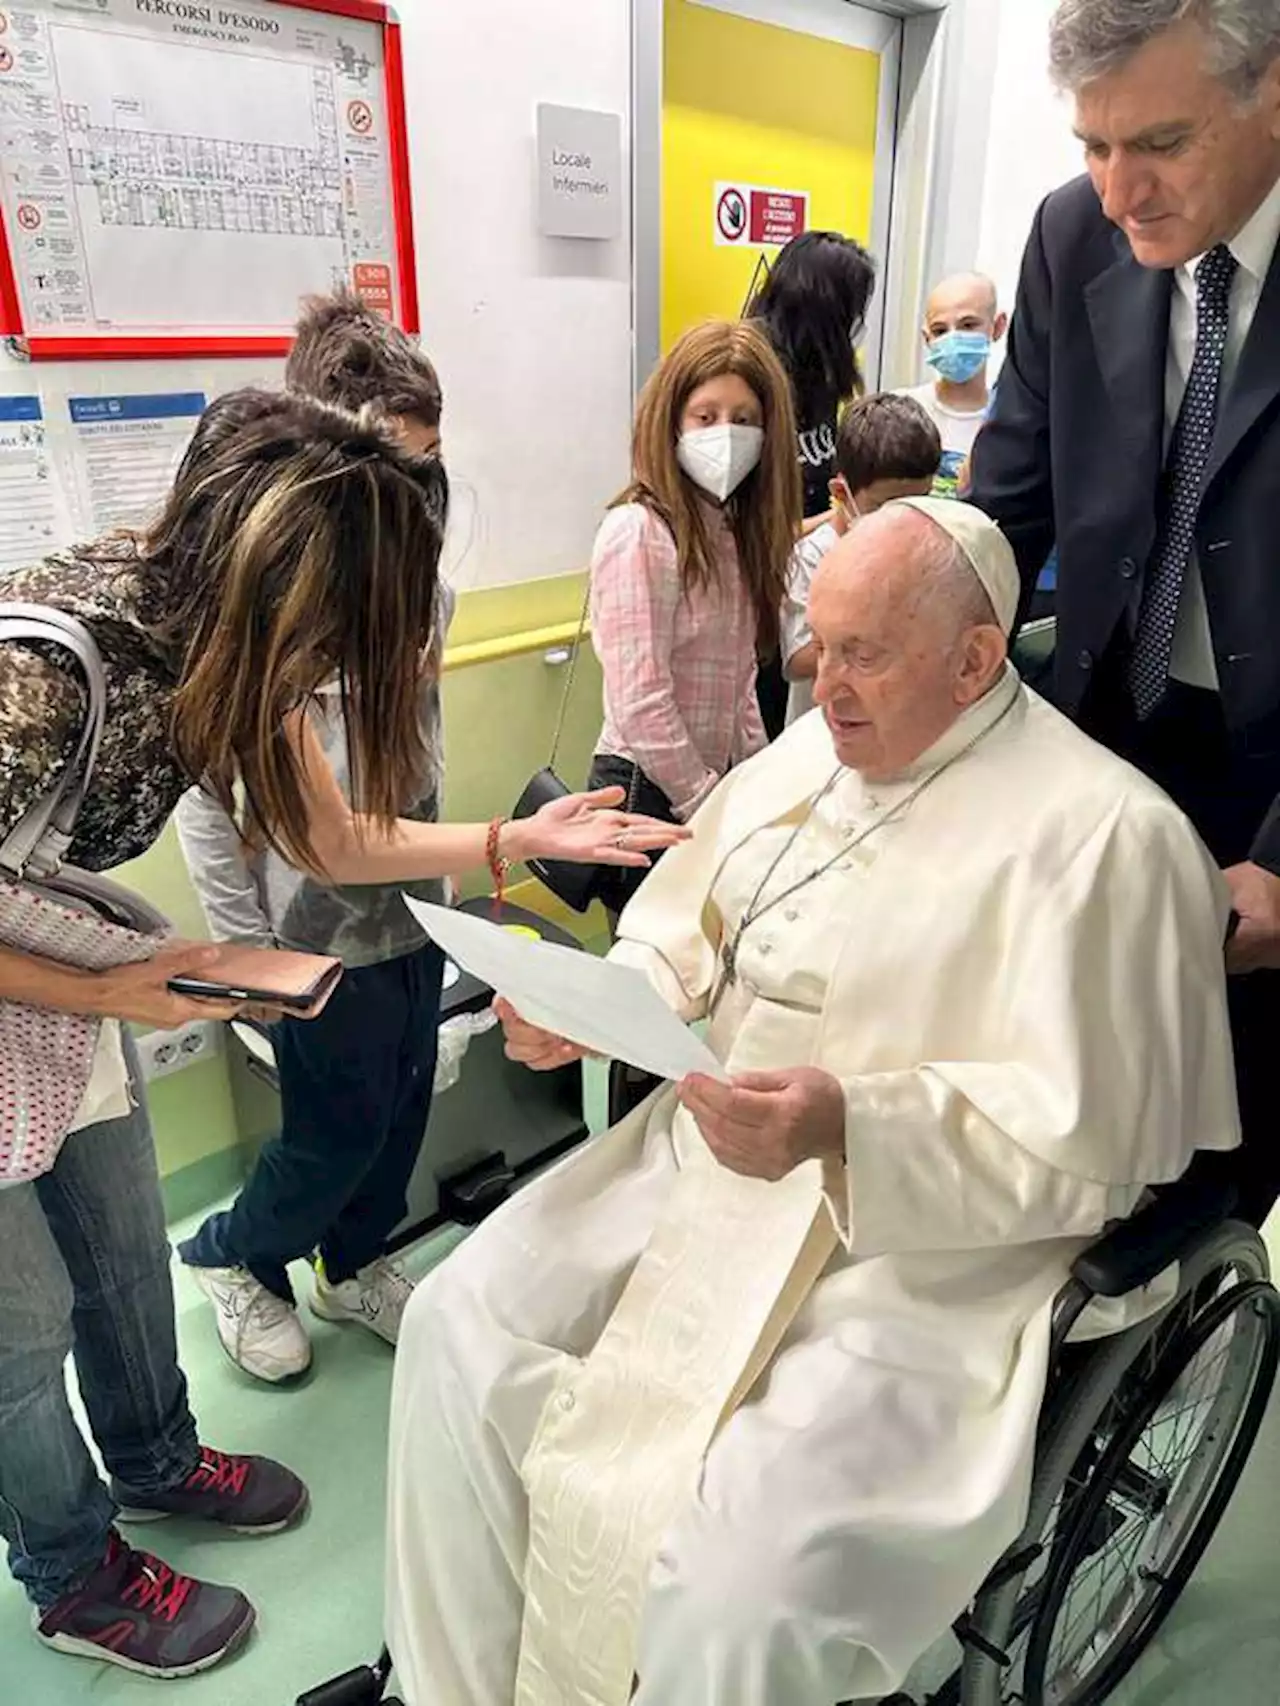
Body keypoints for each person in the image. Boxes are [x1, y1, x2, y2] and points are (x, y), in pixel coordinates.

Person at [385, 499, 1238, 1706]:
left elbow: (1088, 1147)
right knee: (456, 1329)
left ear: (974, 658)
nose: (824, 688)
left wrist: (851, 1123)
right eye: (815, 649)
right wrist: (597, 999)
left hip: (918, 1244)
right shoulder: (807, 754)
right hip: (700, 1159)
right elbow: (681, 930)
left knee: (739, 1579)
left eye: (863, 654)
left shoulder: (1108, 838)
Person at [0, 392, 681, 1681]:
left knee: (122, 1244)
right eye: (343, 629)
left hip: (67, 984)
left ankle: (153, 1462)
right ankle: (72, 1572)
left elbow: (331, 838)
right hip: (56, 986)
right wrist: (120, 992)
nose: (347, 667)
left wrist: (512, 840)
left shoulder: (221, 650)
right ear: (279, 581)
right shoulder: (45, 675)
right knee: (18, 1327)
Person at [967, 0, 1280, 1232]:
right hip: (1099, 721)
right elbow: (1007, 496)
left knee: (1230, 1088)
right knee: (1069, 1047)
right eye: (1090, 144)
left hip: (1267, 770)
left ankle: (1195, 1268)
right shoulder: (1068, 238)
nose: (1115, 191)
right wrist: (909, 619)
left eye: (1154, 141)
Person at [175, 296, 454, 1382]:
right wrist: (244, 953)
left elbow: (418, 754)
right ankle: (228, 1254)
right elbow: (210, 799)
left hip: (408, 904)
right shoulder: (261, 594)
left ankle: (354, 1259)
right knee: (327, 1134)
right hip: (309, 928)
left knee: (398, 1119)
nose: (414, 500)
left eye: (428, 470)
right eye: (395, 471)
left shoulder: (420, 570)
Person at [587, 318, 800, 919]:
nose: (726, 434)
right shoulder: (640, 532)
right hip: (648, 792)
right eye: (705, 417)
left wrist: (758, 785)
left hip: (710, 789)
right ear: (672, 421)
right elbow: (640, 700)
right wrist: (707, 802)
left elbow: (738, 688)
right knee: (650, 979)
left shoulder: (736, 531)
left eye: (744, 419)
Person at [747, 229, 878, 736]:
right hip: (759, 590)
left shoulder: (819, 373)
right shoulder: (756, 373)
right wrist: (850, 517)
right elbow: (747, 527)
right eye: (850, 307)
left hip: (806, 578)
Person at [782, 391, 941, 722]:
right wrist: (879, 633)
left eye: (918, 503)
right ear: (842, 494)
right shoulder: (814, 556)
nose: (902, 520)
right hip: (822, 734)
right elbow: (796, 660)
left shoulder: (923, 549)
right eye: (886, 506)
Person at [898, 271, 1006, 499]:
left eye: (968, 325)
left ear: (997, 327)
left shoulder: (1008, 421)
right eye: (940, 331)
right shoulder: (901, 412)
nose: (953, 338)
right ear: (927, 339)